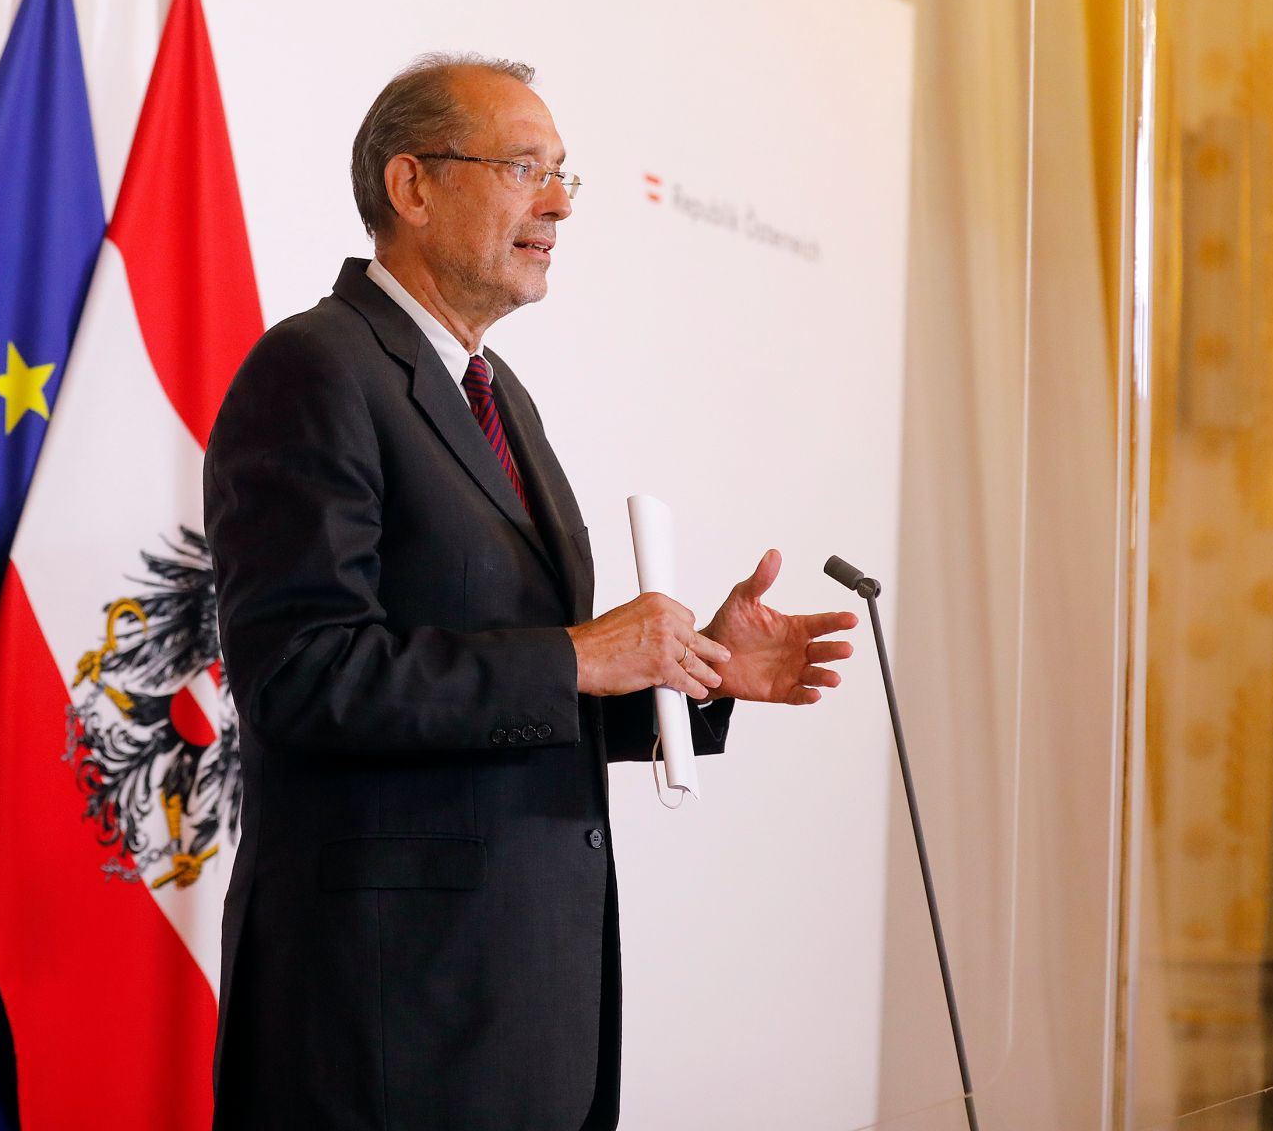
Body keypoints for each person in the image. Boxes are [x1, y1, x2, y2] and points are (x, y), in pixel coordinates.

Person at [204, 54, 857, 1130]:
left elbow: (513, 697)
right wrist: (580, 654)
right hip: (384, 1021)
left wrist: (687, 677)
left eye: (563, 176)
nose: (556, 203)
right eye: (522, 168)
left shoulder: (498, 395)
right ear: (411, 187)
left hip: (523, 1004)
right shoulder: (316, 368)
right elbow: (303, 676)